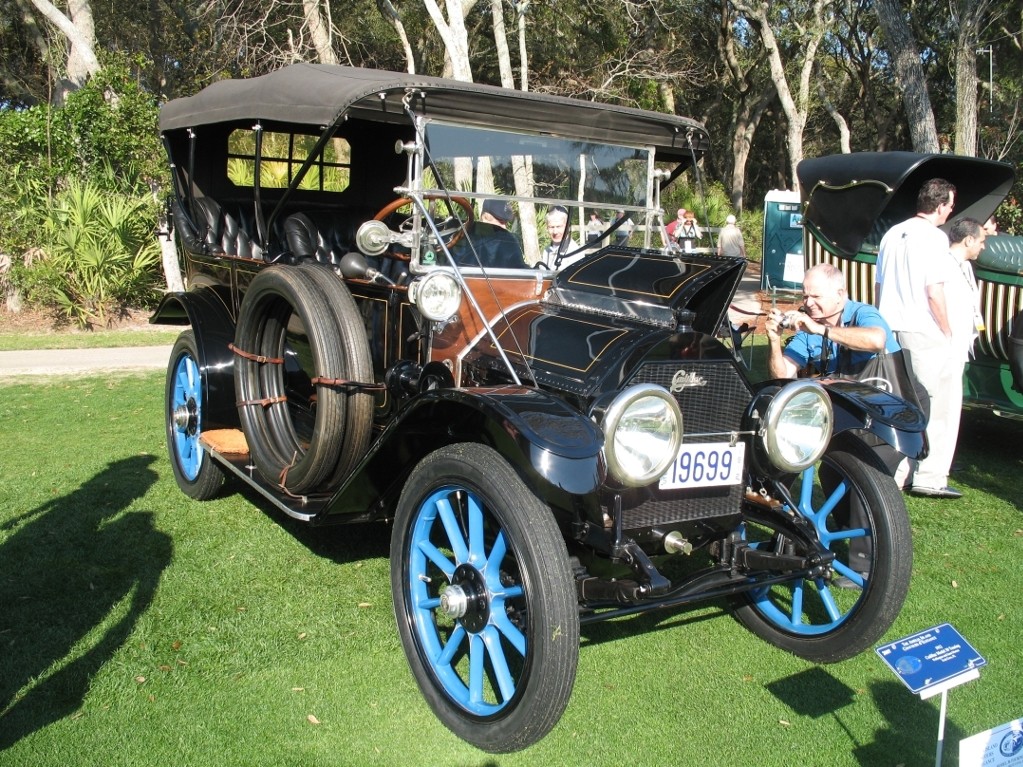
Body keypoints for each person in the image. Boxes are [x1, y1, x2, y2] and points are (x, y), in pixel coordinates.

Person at [767, 262, 902, 588]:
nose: (809, 302)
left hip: (885, 423)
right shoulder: (808, 328)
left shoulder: (863, 314)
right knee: (829, 473)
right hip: (842, 425)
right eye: (805, 295)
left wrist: (822, 330)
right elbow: (783, 375)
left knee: (860, 482)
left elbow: (876, 340)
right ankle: (848, 535)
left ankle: (865, 568)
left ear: (841, 294)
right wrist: (773, 339)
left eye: (816, 296)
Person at [875, 177, 961, 498]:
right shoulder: (935, 239)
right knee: (933, 403)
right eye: (950, 205)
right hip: (921, 327)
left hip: (891, 324)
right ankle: (929, 474)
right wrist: (947, 330)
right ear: (940, 206)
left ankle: (896, 469)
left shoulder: (891, 234)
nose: (951, 210)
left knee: (899, 401)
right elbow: (934, 290)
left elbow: (879, 287)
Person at [448, 198, 527, 269]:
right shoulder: (462, 238)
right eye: (500, 222)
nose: (504, 227)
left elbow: (520, 269)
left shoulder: (509, 243)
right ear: (485, 218)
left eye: (505, 223)